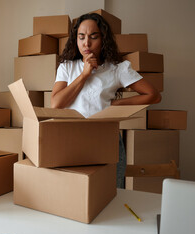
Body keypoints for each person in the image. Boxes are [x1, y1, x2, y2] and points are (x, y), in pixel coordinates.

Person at [51, 13, 161, 188]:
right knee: (73, 195)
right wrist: (84, 74)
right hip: (71, 139)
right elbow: (56, 104)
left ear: (103, 39)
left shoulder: (117, 69)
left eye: (93, 37)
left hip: (106, 140)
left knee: (110, 192)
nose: (86, 43)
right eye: (81, 37)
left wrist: (115, 105)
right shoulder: (67, 67)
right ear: (76, 40)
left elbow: (153, 95)